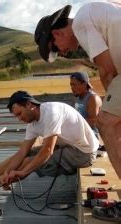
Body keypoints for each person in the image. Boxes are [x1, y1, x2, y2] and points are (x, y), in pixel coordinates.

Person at [34, 2, 121, 180]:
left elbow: (108, 71)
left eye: (56, 48)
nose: (62, 53)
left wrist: (112, 110)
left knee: (106, 123)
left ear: (57, 33)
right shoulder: (98, 11)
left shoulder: (81, 23)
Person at [0, 91, 99, 200]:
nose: (19, 119)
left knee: (29, 162)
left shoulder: (51, 113)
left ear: (29, 105)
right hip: (66, 146)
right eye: (16, 116)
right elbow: (21, 153)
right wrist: (7, 173)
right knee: (23, 156)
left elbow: (47, 151)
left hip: (83, 153)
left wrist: (23, 172)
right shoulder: (32, 124)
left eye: (19, 114)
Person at [70, 72, 102, 137]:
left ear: (84, 84)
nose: (72, 88)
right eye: (71, 85)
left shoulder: (93, 98)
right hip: (80, 131)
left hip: (91, 135)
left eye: (74, 84)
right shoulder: (78, 97)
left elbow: (93, 122)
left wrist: (73, 125)